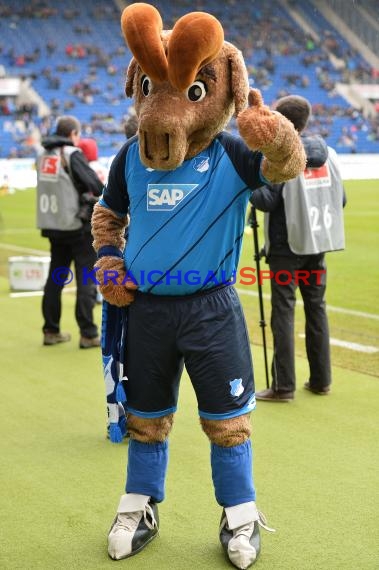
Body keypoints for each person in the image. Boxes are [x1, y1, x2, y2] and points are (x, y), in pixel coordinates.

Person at [250, 95, 346, 402]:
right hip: (317, 244)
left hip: (285, 248)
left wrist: (250, 184)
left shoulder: (284, 155)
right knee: (316, 310)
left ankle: (283, 385)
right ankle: (321, 380)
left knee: (283, 312)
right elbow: (340, 200)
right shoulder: (327, 153)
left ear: (283, 122)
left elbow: (267, 201)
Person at [36, 115, 104, 348]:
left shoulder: (43, 155)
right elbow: (95, 185)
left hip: (53, 225)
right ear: (73, 134)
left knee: (55, 278)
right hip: (76, 226)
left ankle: (50, 329)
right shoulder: (71, 154)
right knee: (86, 278)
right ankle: (88, 333)